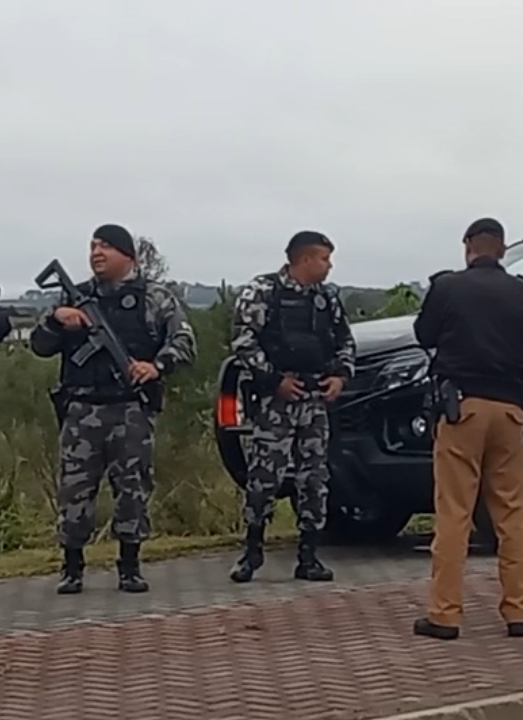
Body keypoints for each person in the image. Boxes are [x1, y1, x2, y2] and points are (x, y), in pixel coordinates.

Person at [411, 217, 523, 640]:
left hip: (462, 410)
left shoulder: (448, 288)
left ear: (467, 247)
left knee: (454, 513)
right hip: (512, 411)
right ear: (501, 249)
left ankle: (445, 614)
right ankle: (520, 612)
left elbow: (425, 335)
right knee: (512, 514)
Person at [29, 224, 196, 595]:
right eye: (92, 246)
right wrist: (58, 320)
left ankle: (130, 566)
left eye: (105, 246)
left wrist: (156, 366)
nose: (96, 252)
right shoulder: (75, 298)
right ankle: (72, 568)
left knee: (133, 489)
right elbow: (39, 346)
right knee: (74, 491)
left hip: (130, 411)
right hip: (81, 410)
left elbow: (184, 341)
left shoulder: (155, 297)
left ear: (128, 256)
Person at [228, 231, 355, 584]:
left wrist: (341, 377)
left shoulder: (327, 298)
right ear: (304, 260)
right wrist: (273, 381)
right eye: (325, 259)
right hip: (275, 401)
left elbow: (344, 340)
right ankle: (252, 553)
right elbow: (243, 341)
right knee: (263, 477)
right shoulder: (262, 292)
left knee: (314, 478)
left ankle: (309, 555)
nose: (329, 266)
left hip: (314, 399)